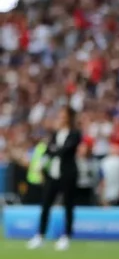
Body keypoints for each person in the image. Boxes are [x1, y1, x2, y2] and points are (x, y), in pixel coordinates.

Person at [27, 106, 82, 251]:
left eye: (64, 115)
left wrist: (53, 150)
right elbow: (47, 150)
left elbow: (65, 150)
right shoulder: (56, 133)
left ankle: (66, 236)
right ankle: (40, 235)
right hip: (53, 174)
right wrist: (42, 162)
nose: (61, 118)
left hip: (68, 174)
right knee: (46, 204)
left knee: (68, 205)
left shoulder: (75, 133)